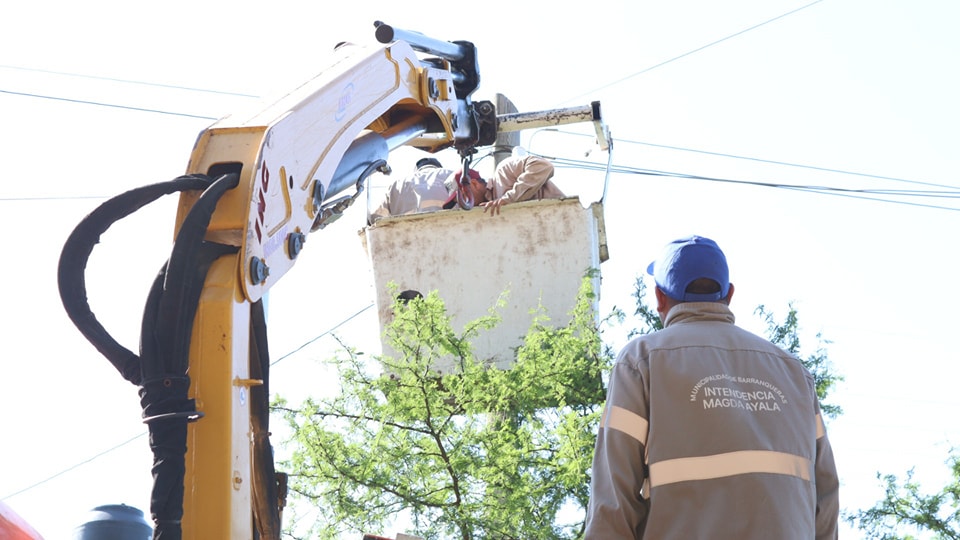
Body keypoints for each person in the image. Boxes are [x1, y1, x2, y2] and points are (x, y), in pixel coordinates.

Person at [585, 235, 839, 539]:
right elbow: (826, 497)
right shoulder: (795, 373)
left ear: (660, 298)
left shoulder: (642, 361)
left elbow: (613, 503)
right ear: (729, 295)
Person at [367, 157, 454, 224]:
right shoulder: (451, 175)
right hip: (453, 232)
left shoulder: (398, 184)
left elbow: (376, 218)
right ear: (438, 167)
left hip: (409, 238)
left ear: (417, 170)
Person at [480, 149, 565, 216]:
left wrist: (509, 198)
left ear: (474, 184)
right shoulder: (488, 211)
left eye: (466, 199)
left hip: (563, 219)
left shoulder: (502, 172)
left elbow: (543, 165)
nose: (467, 206)